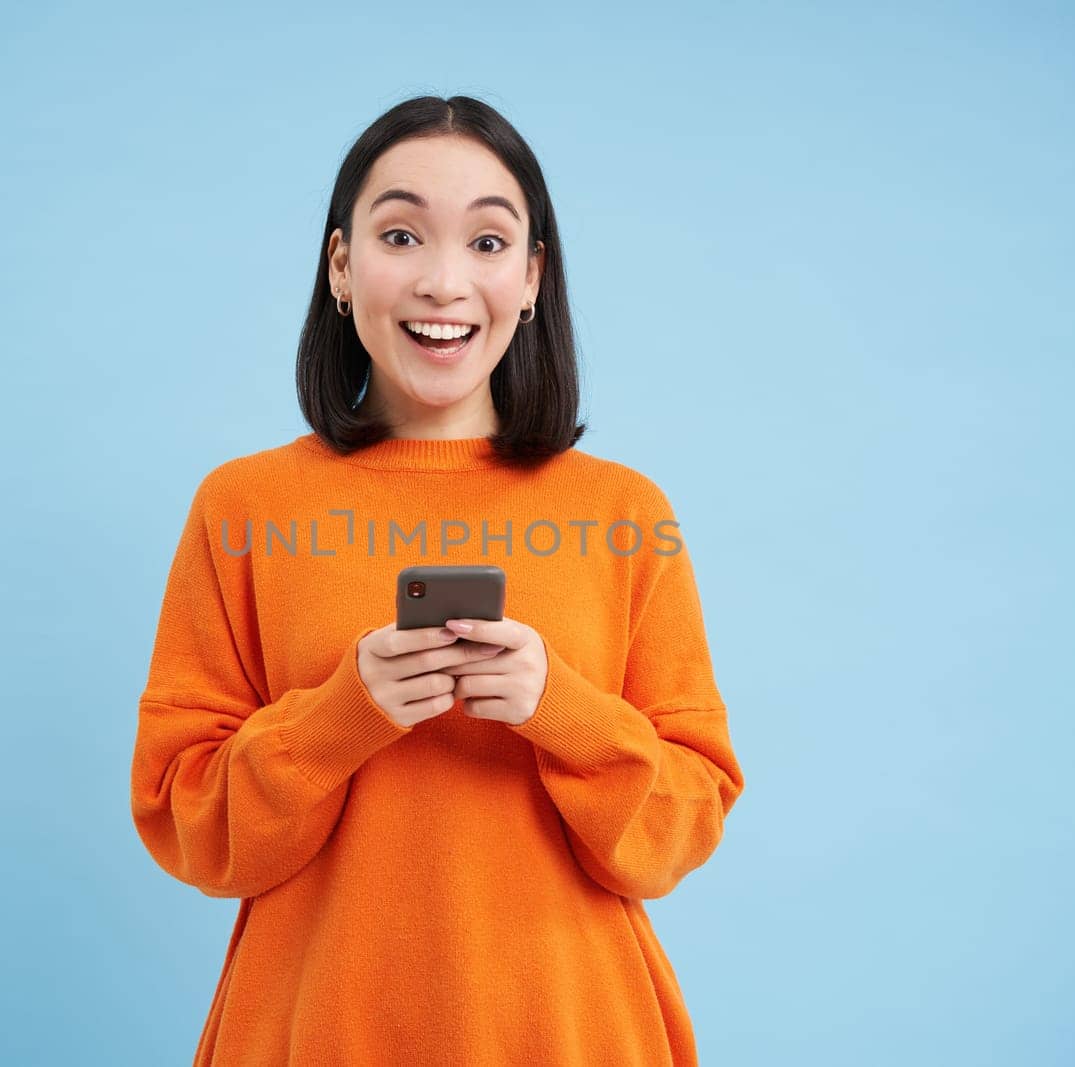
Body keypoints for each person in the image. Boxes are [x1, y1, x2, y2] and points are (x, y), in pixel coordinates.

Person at [130, 94, 745, 1066]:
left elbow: (681, 823)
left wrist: (559, 707)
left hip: (573, 1027)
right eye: (402, 234)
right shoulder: (244, 506)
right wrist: (344, 710)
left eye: (489, 242)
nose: (444, 280)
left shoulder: (625, 511)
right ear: (340, 265)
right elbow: (186, 820)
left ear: (533, 275)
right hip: (314, 1028)